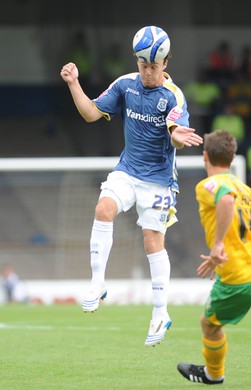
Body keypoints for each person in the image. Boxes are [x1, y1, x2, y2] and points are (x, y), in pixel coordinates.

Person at [60, 25, 203, 347]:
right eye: (143, 66)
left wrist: (177, 137)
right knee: (103, 208)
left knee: (152, 241)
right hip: (127, 170)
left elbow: (176, 132)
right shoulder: (125, 85)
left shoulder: (173, 96)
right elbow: (90, 114)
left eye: (153, 66)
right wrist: (74, 84)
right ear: (137, 62)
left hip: (159, 181)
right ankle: (97, 283)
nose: (148, 73)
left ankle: (160, 312)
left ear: (166, 64)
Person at [177, 130, 251, 384]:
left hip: (238, 273)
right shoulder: (245, 188)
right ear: (232, 158)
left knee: (209, 324)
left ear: (205, 156)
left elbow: (226, 201)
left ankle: (213, 375)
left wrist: (218, 245)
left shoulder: (209, 185)